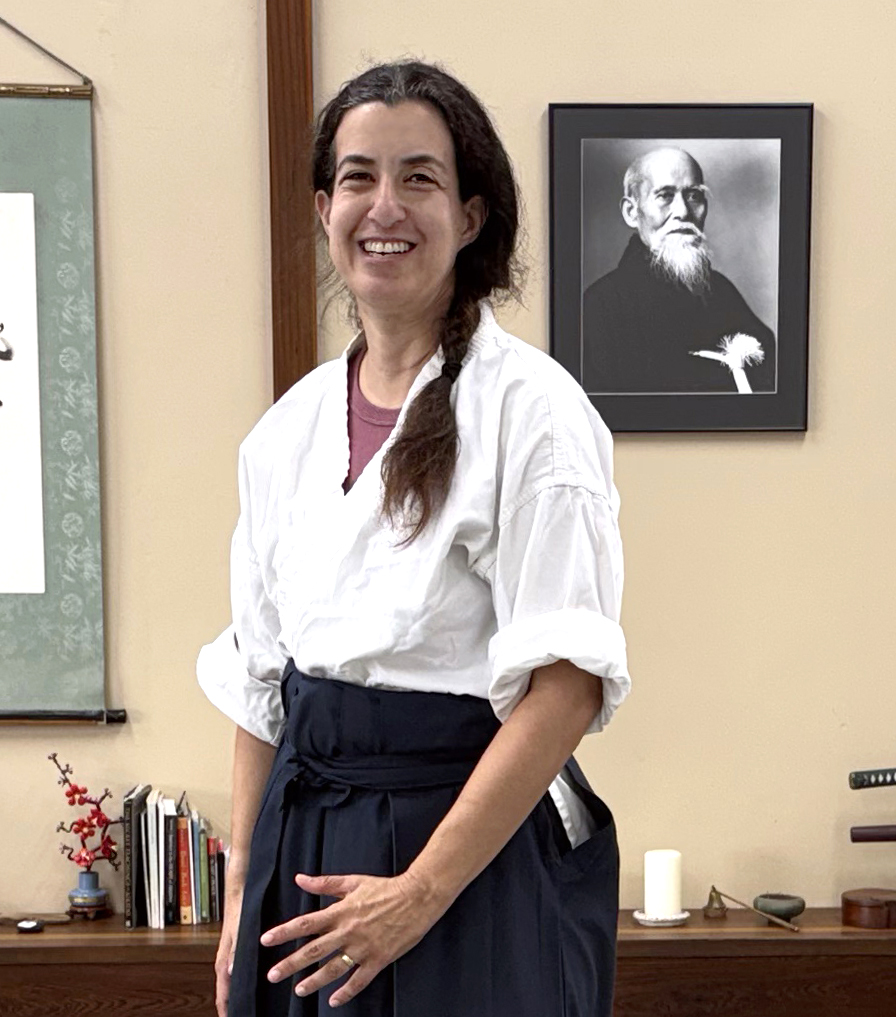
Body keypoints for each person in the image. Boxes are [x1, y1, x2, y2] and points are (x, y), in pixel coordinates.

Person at [197, 60, 631, 1017]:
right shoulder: (285, 433)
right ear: (323, 206)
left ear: (470, 214)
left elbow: (566, 683)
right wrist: (237, 899)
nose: (382, 204)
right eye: (357, 176)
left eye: (418, 177)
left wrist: (415, 896)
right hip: (302, 848)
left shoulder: (533, 413)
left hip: (462, 854)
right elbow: (261, 685)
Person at [582, 146, 777, 395]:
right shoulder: (598, 306)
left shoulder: (721, 291)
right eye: (665, 196)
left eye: (694, 195)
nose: (683, 211)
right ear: (632, 212)